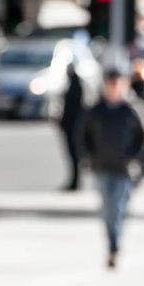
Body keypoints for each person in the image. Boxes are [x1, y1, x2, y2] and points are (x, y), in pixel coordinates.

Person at [80, 68, 144, 269]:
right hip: (101, 167)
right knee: (106, 208)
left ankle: (114, 245)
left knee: (117, 207)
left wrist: (140, 162)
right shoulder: (96, 110)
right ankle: (112, 242)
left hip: (124, 169)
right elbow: (82, 136)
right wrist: (88, 157)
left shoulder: (131, 109)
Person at [59, 62, 84, 192]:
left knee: (75, 156)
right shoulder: (74, 85)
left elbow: (72, 109)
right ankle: (74, 182)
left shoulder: (76, 87)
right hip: (71, 126)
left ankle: (75, 183)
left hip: (73, 127)